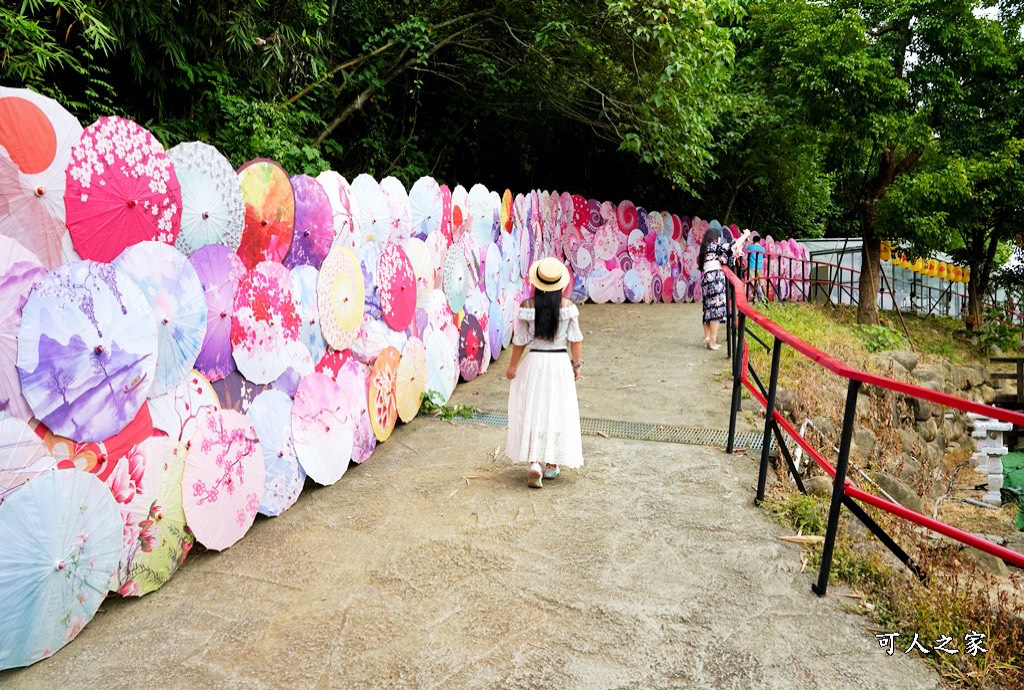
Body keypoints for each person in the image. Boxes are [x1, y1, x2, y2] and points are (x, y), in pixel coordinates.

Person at [505, 257, 584, 488]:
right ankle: (551, 463)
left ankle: (535, 462)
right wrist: (576, 365)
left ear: (536, 283)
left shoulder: (528, 307)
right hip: (559, 363)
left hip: (535, 363)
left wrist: (512, 366)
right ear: (560, 284)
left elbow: (520, 340)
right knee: (556, 410)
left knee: (534, 408)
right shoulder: (568, 307)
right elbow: (576, 340)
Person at [699, 227, 750, 350]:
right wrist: (745, 236)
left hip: (706, 278)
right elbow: (731, 246)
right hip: (715, 278)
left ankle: (707, 337)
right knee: (716, 309)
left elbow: (726, 258)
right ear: (715, 238)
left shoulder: (706, 249)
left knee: (708, 308)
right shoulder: (714, 246)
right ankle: (712, 341)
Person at [745, 232, 766, 302]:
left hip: (752, 266)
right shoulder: (763, 249)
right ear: (759, 241)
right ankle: (766, 298)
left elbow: (745, 252)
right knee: (762, 283)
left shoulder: (750, 247)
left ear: (753, 241)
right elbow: (764, 256)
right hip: (760, 267)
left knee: (752, 282)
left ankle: (755, 298)